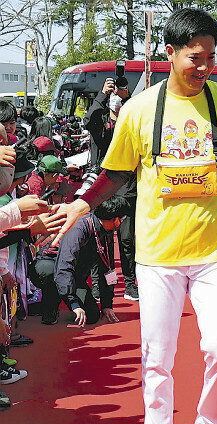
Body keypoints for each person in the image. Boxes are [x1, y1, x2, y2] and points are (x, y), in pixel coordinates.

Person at [54, 8, 217, 424]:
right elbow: (117, 173)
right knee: (157, 355)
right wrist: (82, 204)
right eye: (194, 57)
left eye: (210, 58)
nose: (203, 67)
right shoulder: (139, 110)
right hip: (158, 253)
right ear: (171, 53)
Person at [83, 75, 138, 301]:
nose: (116, 98)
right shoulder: (101, 121)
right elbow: (88, 120)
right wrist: (103, 94)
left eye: (118, 95)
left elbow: (142, 117)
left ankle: (130, 283)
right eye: (113, 96)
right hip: (104, 184)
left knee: (127, 239)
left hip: (128, 185)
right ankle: (99, 286)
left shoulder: (131, 118)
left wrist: (128, 97)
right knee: (100, 237)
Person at [52, 196, 129, 326]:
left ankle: (65, 293)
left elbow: (108, 268)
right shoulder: (80, 228)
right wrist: (74, 303)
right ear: (115, 219)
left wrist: (106, 304)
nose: (122, 223)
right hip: (54, 265)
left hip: (75, 274)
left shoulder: (106, 231)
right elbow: (64, 265)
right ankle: (49, 303)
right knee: (49, 272)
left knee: (92, 315)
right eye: (122, 219)